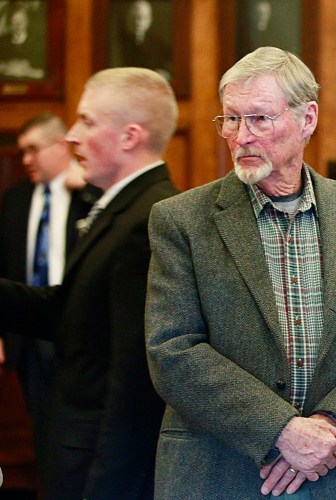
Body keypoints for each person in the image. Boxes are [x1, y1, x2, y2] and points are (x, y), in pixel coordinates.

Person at [145, 46, 336, 499]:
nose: (241, 137)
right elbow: (172, 350)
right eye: (230, 120)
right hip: (221, 473)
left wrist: (328, 429)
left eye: (259, 119)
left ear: (307, 119)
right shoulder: (182, 220)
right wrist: (281, 431)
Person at [0, 67, 179, 499]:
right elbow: (67, 313)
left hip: (97, 471)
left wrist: (106, 489)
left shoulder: (146, 220)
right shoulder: (121, 208)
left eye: (87, 121)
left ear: (129, 136)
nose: (72, 136)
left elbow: (132, 383)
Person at [0, 112, 99, 475]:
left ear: (61, 146)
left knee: (79, 433)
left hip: (77, 332)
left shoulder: (91, 192)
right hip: (26, 338)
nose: (25, 160)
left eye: (32, 150)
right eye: (21, 151)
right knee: (42, 430)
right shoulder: (15, 200)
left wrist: (87, 191)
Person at [113, 0, 172, 80]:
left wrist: (165, 73)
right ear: (127, 19)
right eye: (134, 17)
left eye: (142, 18)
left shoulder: (157, 43)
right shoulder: (117, 43)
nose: (137, 22)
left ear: (149, 21)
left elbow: (169, 65)